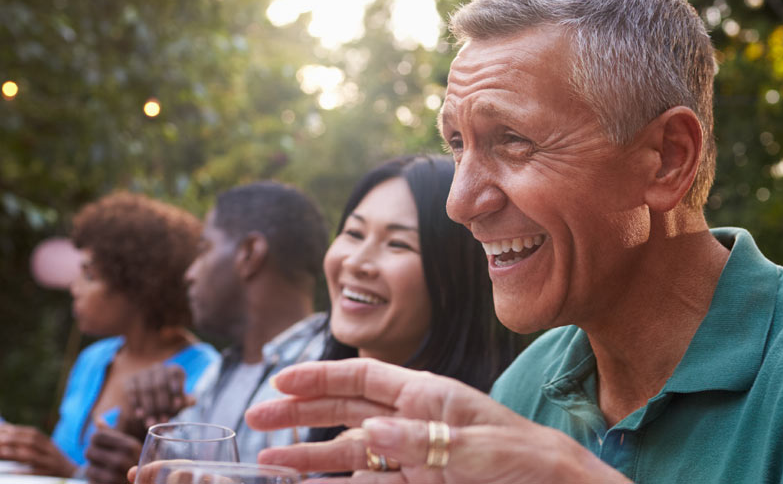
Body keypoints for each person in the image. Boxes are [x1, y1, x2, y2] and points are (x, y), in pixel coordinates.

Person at [242, 0, 783, 484]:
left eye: (513, 140)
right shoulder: (528, 383)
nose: (459, 203)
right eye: (457, 144)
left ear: (667, 158)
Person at [84, 181, 329, 484]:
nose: (190, 274)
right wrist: (138, 450)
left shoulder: (328, 370)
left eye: (203, 250)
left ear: (249, 254)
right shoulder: (217, 375)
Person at [307, 155, 524, 448]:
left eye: (397, 243)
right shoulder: (306, 399)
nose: (357, 262)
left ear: (458, 277)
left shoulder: (489, 439)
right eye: (354, 233)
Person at [0, 192, 219, 478]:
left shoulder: (204, 375)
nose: (74, 287)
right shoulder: (94, 358)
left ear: (138, 285)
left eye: (90, 275)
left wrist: (69, 472)